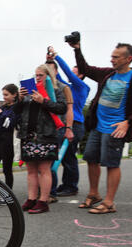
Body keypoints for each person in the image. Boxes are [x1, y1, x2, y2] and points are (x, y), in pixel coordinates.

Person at [72, 41, 132, 214]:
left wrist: (128, 121)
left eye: (116, 57)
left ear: (128, 59)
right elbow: (85, 68)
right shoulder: (108, 74)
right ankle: (94, 194)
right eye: (111, 56)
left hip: (116, 128)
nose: (112, 60)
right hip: (97, 126)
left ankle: (109, 202)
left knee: (111, 164)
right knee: (91, 158)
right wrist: (77, 49)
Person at [15, 64, 67, 214]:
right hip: (28, 135)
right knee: (30, 170)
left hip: (46, 135)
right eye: (36, 75)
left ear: (48, 77)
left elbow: (62, 108)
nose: (37, 78)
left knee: (44, 169)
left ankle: (43, 201)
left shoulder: (56, 91)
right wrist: (20, 98)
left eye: (40, 75)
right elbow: (16, 111)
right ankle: (31, 199)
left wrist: (43, 100)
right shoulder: (30, 92)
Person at [46, 46, 91, 197]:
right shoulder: (66, 87)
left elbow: (67, 74)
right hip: (63, 124)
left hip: (75, 125)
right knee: (63, 156)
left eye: (75, 71)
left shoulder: (82, 87)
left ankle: (71, 186)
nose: (71, 73)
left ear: (82, 75)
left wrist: (57, 57)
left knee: (68, 156)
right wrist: (49, 61)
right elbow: (54, 76)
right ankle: (66, 184)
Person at [45, 59, 75, 203]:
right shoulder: (40, 87)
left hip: (59, 127)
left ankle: (51, 192)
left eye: (51, 70)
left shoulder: (64, 88)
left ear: (56, 72)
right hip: (44, 129)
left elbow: (69, 110)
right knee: (43, 161)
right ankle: (43, 190)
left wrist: (69, 129)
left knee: (52, 162)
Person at [0, 84, 20, 198]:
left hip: (8, 138)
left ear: (14, 95)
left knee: (7, 168)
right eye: (3, 95)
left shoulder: (16, 108)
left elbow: (9, 123)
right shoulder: (4, 107)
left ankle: (8, 194)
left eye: (6, 95)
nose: (4, 97)